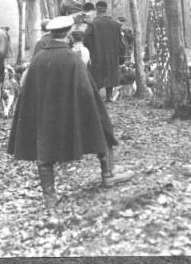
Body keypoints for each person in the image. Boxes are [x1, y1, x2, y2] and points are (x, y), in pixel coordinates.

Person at [8, 15, 134, 209]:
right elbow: (86, 90)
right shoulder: (73, 59)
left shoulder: (38, 59)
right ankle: (108, 175)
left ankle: (50, 197)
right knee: (102, 129)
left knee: (44, 152)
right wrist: (93, 111)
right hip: (71, 114)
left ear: (51, 35)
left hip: (46, 117)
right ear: (68, 35)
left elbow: (28, 90)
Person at [85, 1, 125, 103]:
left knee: (96, 74)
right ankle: (109, 97)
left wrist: (88, 50)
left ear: (97, 9)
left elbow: (86, 39)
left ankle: (96, 98)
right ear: (106, 9)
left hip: (96, 54)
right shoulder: (116, 24)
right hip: (112, 55)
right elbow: (121, 42)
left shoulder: (92, 24)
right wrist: (120, 54)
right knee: (110, 73)